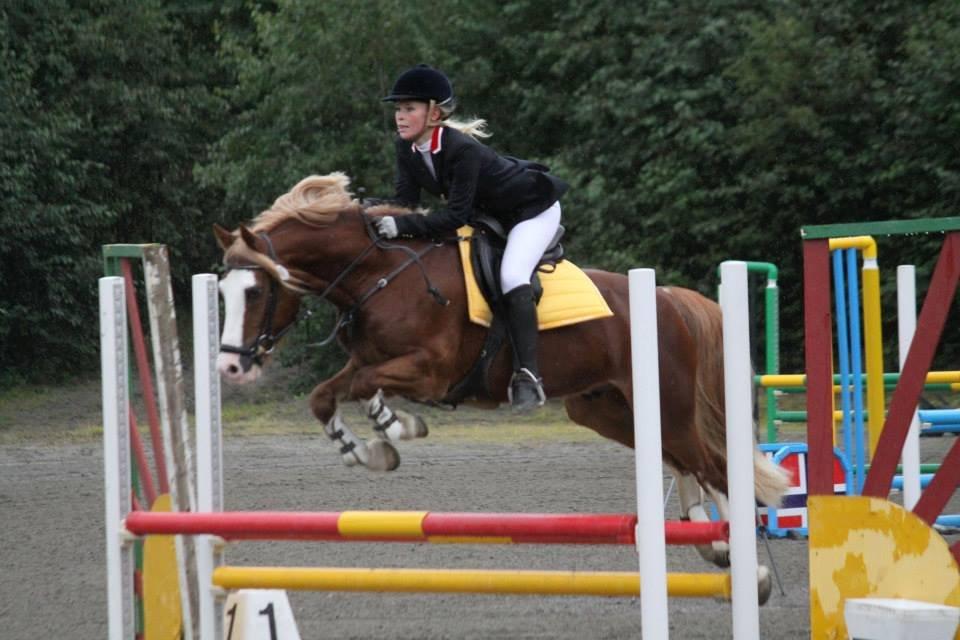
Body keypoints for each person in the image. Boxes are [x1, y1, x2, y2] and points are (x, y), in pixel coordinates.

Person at [374, 64, 568, 412]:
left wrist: (400, 226)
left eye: (409, 109)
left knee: (511, 276)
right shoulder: (407, 149)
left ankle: (528, 376)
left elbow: (455, 217)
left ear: (434, 113)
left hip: (529, 211)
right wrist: (363, 212)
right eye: (398, 109)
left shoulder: (460, 149)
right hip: (489, 215)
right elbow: (405, 204)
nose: (400, 117)